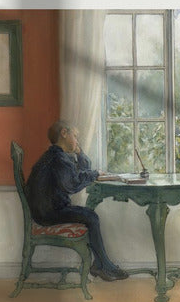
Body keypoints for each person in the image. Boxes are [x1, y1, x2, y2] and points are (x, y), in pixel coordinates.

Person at [25, 120, 129, 281]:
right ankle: (104, 266)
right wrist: (94, 175)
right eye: (75, 136)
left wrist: (79, 152)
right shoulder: (58, 159)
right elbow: (71, 185)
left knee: (89, 215)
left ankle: (100, 265)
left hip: (48, 209)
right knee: (91, 217)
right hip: (48, 212)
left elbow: (82, 170)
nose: (77, 140)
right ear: (64, 133)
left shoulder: (58, 156)